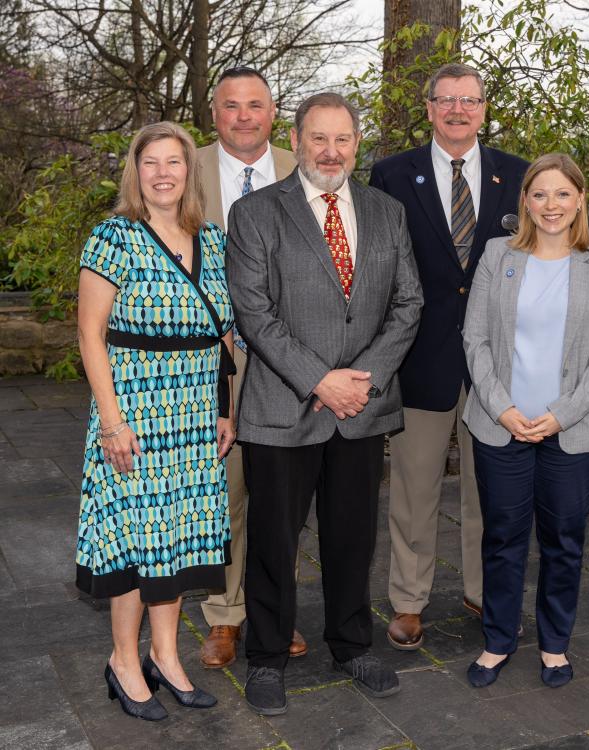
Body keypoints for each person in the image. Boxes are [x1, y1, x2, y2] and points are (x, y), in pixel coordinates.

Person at [226, 92, 422, 716]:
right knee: (272, 542)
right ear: (297, 139)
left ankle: (352, 643)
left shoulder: (386, 211)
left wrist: (361, 380)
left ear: (357, 144)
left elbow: (408, 303)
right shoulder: (256, 213)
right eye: (318, 139)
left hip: (362, 409)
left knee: (352, 538)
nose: (330, 151)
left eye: (342, 139)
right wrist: (321, 380)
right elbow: (254, 312)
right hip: (284, 406)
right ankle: (266, 658)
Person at [76, 121, 234, 720]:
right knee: (137, 542)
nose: (164, 173)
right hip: (135, 415)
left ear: (189, 172)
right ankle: (123, 660)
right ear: (135, 172)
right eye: (152, 163)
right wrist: (111, 421)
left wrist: (225, 408)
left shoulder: (210, 239)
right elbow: (90, 334)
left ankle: (166, 655)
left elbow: (219, 333)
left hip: (194, 417)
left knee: (176, 542)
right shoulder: (113, 236)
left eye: (175, 162)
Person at [369, 63, 528, 650]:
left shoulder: (517, 175)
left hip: (500, 365)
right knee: (414, 487)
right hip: (420, 358)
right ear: (429, 108)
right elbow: (377, 269)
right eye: (446, 101)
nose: (458, 110)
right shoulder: (389, 175)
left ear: (485, 108)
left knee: (493, 488)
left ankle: (486, 592)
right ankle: (409, 601)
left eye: (469, 100)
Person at [462, 153, 589, 688]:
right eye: (539, 194)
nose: (550, 205)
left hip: (572, 430)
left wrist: (558, 416)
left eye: (561, 194)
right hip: (500, 424)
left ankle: (555, 645)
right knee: (504, 538)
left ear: (580, 199)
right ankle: (497, 641)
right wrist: (503, 409)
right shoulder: (497, 255)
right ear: (525, 202)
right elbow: (476, 340)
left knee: (563, 540)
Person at [195, 65, 307, 669]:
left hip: (288, 354)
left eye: (255, 105)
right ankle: (224, 615)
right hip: (210, 359)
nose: (244, 116)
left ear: (273, 111)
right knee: (224, 490)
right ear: (214, 114)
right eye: (231, 106)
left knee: (280, 494)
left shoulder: (303, 167)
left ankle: (276, 609)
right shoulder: (181, 167)